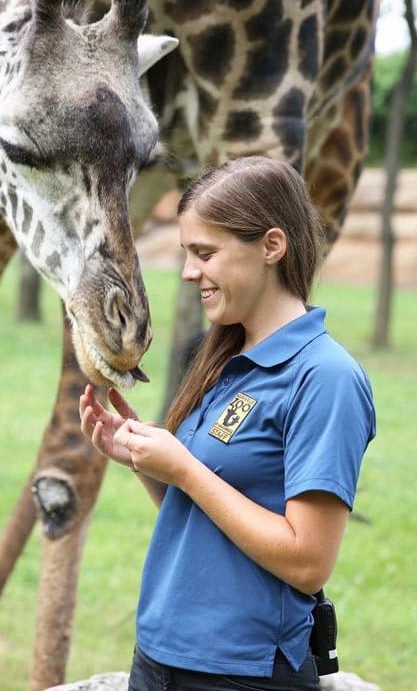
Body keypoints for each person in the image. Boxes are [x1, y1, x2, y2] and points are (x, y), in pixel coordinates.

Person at [79, 156, 376, 691]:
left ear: (271, 246)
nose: (191, 272)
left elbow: (308, 562)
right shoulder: (225, 357)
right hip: (161, 656)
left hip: (241, 672)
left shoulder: (325, 377)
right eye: (187, 254)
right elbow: (204, 517)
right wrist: (149, 466)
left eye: (205, 253)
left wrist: (187, 470)